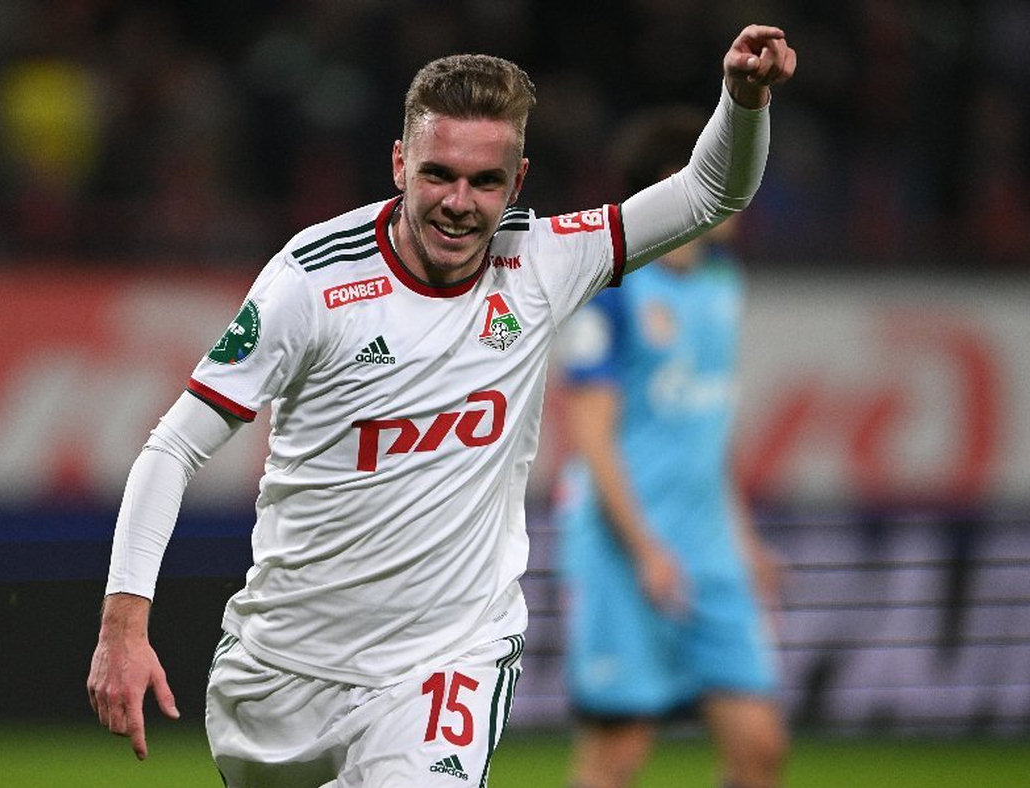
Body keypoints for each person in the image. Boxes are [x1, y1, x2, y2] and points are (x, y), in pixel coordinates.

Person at [88, 24, 796, 787]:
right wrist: (124, 625)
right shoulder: (311, 282)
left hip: (448, 659)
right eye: (439, 175)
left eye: (485, 181)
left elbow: (709, 193)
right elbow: (173, 448)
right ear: (400, 163)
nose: (459, 204)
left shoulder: (544, 262)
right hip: (283, 672)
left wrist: (743, 100)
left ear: (518, 181)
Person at [551, 105, 789, 788]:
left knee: (759, 747)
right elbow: (590, 440)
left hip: (710, 550)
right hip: (622, 551)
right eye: (729, 171)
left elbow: (707, 433)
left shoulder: (723, 282)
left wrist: (743, 542)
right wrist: (647, 549)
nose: (743, 191)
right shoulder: (612, 288)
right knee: (617, 755)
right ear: (680, 180)